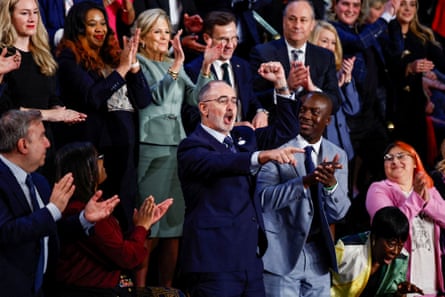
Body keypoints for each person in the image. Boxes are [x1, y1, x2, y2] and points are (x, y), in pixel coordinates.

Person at [177, 68, 303, 297]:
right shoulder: (191, 147)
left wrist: (282, 86)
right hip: (213, 265)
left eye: (234, 100)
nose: (231, 106)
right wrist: (260, 156)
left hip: (249, 262)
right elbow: (221, 163)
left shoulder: (245, 137)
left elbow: (287, 129)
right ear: (203, 108)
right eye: (222, 100)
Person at [132, 8, 218, 288]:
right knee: (151, 224)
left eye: (166, 32)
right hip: (151, 147)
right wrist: (176, 66)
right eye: (157, 31)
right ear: (142, 37)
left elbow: (195, 99)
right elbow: (153, 97)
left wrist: (204, 66)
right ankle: (141, 288)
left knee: (173, 227)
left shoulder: (174, 62)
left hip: (176, 146)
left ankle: (166, 289)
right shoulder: (138, 62)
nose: (163, 37)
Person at [0, 109, 119, 297]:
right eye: (42, 137)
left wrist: (83, 219)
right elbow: (6, 233)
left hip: (41, 289)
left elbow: (49, 230)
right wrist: (52, 210)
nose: (48, 144)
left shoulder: (39, 182)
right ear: (23, 145)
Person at [56, 1, 151, 232]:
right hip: (96, 152)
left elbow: (144, 100)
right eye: (92, 24)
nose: (100, 29)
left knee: (125, 217)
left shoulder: (114, 57)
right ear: (79, 28)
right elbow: (93, 97)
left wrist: (134, 67)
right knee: (98, 223)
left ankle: (122, 268)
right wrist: (121, 70)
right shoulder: (70, 59)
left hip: (125, 150)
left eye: (103, 24)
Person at [255, 91, 351, 297]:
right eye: (303, 110)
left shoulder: (337, 154)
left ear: (328, 120)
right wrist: (305, 182)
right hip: (281, 256)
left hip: (319, 258)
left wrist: (331, 184)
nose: (306, 116)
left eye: (314, 112)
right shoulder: (278, 149)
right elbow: (264, 200)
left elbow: (340, 212)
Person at [52, 141, 174, 297]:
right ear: (86, 169)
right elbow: (127, 258)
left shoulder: (87, 207)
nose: (102, 161)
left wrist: (144, 224)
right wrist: (141, 228)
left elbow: (116, 247)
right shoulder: (82, 213)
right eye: (98, 157)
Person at [0, 0, 87, 181]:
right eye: (24, 13)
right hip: (15, 145)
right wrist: (50, 115)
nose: (32, 18)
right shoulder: (3, 56)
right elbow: (7, 110)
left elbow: (52, 95)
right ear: (9, 16)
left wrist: (58, 109)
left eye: (35, 13)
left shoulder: (42, 53)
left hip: (44, 141)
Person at [330, 0, 398, 203]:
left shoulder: (365, 29)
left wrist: (392, 17)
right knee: (344, 182)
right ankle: (345, 229)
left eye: (356, 5)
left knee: (383, 169)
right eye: (345, 4)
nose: (351, 10)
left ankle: (372, 214)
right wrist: (385, 17)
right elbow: (359, 42)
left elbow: (394, 51)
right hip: (347, 118)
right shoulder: (332, 30)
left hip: (372, 116)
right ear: (334, 5)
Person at [366, 140, 445, 295]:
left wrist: (427, 203)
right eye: (389, 158)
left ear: (415, 161)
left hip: (433, 286)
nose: (395, 161)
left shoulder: (430, 191)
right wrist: (416, 199)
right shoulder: (378, 190)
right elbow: (388, 226)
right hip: (399, 285)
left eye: (401, 156)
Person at [250, 0, 340, 123]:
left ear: (312, 24)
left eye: (303, 20)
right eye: (292, 19)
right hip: (277, 127)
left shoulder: (325, 57)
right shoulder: (262, 53)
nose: (297, 25)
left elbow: (335, 104)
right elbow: (253, 98)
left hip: (312, 131)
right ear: (283, 21)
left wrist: (313, 89)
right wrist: (285, 87)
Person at [184, 10, 268, 134]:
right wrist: (233, 126)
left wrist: (261, 111)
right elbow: (191, 116)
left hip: (243, 141)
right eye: (223, 40)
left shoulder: (243, 66)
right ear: (207, 38)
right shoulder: (193, 70)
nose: (230, 45)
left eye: (234, 38)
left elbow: (250, 98)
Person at [385, 0, 445, 166]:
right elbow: (388, 69)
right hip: (392, 108)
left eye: (412, 4)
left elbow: (442, 61)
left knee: (417, 160)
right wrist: (408, 68)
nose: (407, 9)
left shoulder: (422, 37)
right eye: (403, 4)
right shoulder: (385, 34)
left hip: (415, 108)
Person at [331, 206, 424, 297]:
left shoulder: (401, 258)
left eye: (400, 245)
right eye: (391, 244)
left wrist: (400, 293)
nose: (396, 251)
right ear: (375, 237)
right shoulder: (346, 250)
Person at [309, 20, 359, 161]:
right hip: (320, 152)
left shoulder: (339, 71)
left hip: (343, 150)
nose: (330, 47)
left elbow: (353, 109)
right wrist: (334, 87)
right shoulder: (308, 73)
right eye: (324, 41)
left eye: (333, 43)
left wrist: (347, 81)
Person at [38, 0, 104, 49]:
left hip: (89, 53)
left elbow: (101, 25)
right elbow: (38, 30)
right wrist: (62, 36)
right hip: (53, 56)